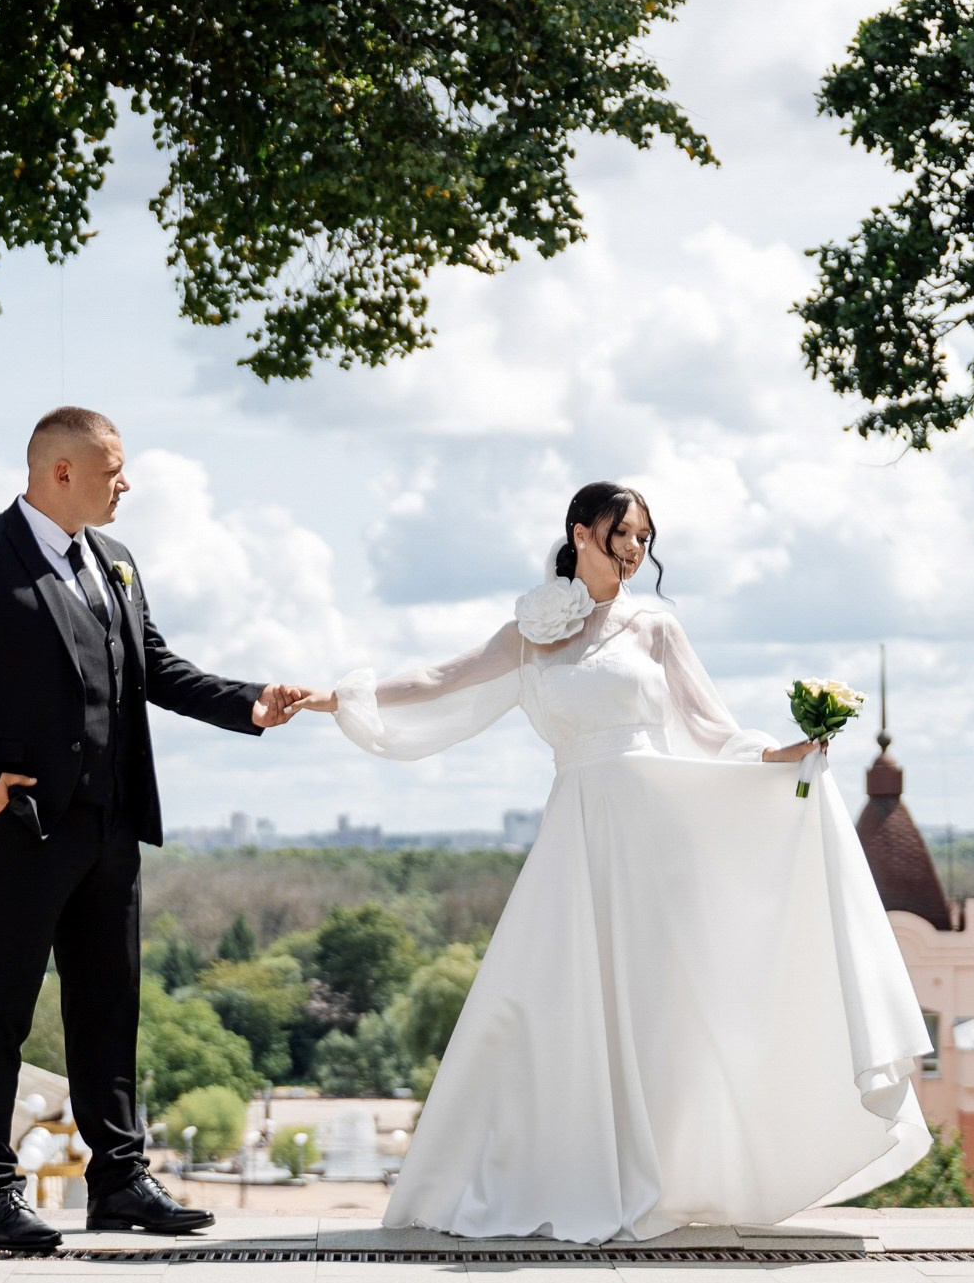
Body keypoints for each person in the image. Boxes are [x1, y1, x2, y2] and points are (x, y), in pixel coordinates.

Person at [302, 482, 933, 1241]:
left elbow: (710, 726)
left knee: (658, 1007)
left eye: (644, 539)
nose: (637, 552)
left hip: (656, 832)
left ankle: (656, 1173)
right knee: (539, 998)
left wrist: (782, 754)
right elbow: (442, 678)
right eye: (624, 535)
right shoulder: (534, 626)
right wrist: (336, 697)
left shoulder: (657, 625)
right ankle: (541, 1171)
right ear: (581, 532)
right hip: (577, 829)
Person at [0, 406, 318, 1254]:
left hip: (112, 826)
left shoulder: (115, 561)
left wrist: (248, 702)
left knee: (107, 1008)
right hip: (20, 826)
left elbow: (155, 666)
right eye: (113, 469)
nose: (127, 484)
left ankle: (118, 1179)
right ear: (60, 472)